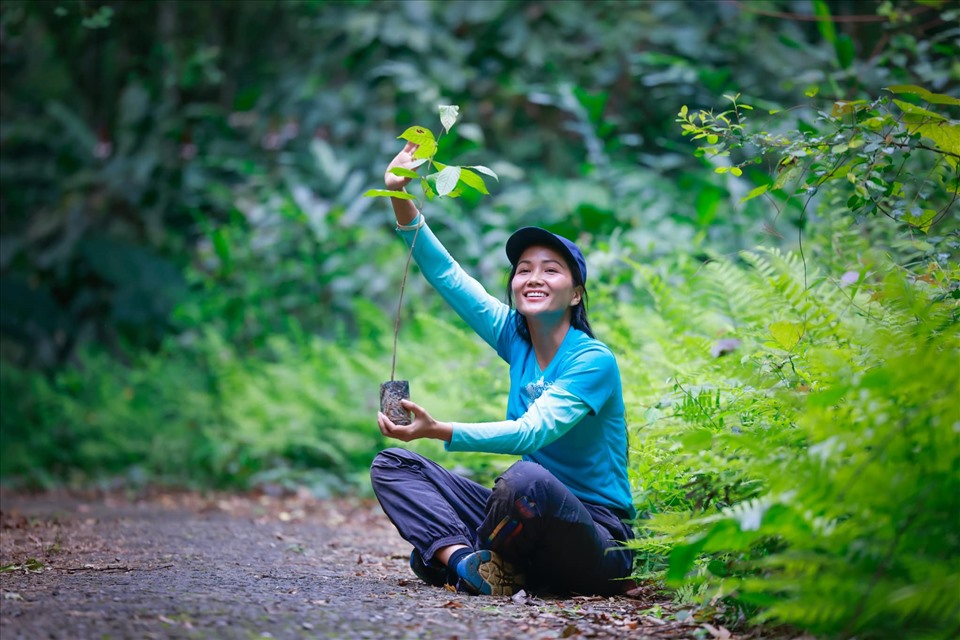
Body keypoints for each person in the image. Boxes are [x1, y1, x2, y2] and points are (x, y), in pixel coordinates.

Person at [370, 141, 635, 597]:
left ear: (575, 294)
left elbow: (531, 434)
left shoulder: (592, 361)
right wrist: (399, 194)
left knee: (524, 479)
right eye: (523, 269)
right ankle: (465, 561)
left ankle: (471, 558)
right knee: (394, 464)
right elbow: (449, 276)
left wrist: (438, 430)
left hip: (598, 537)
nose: (532, 277)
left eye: (551, 270)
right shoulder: (515, 336)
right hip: (529, 517)